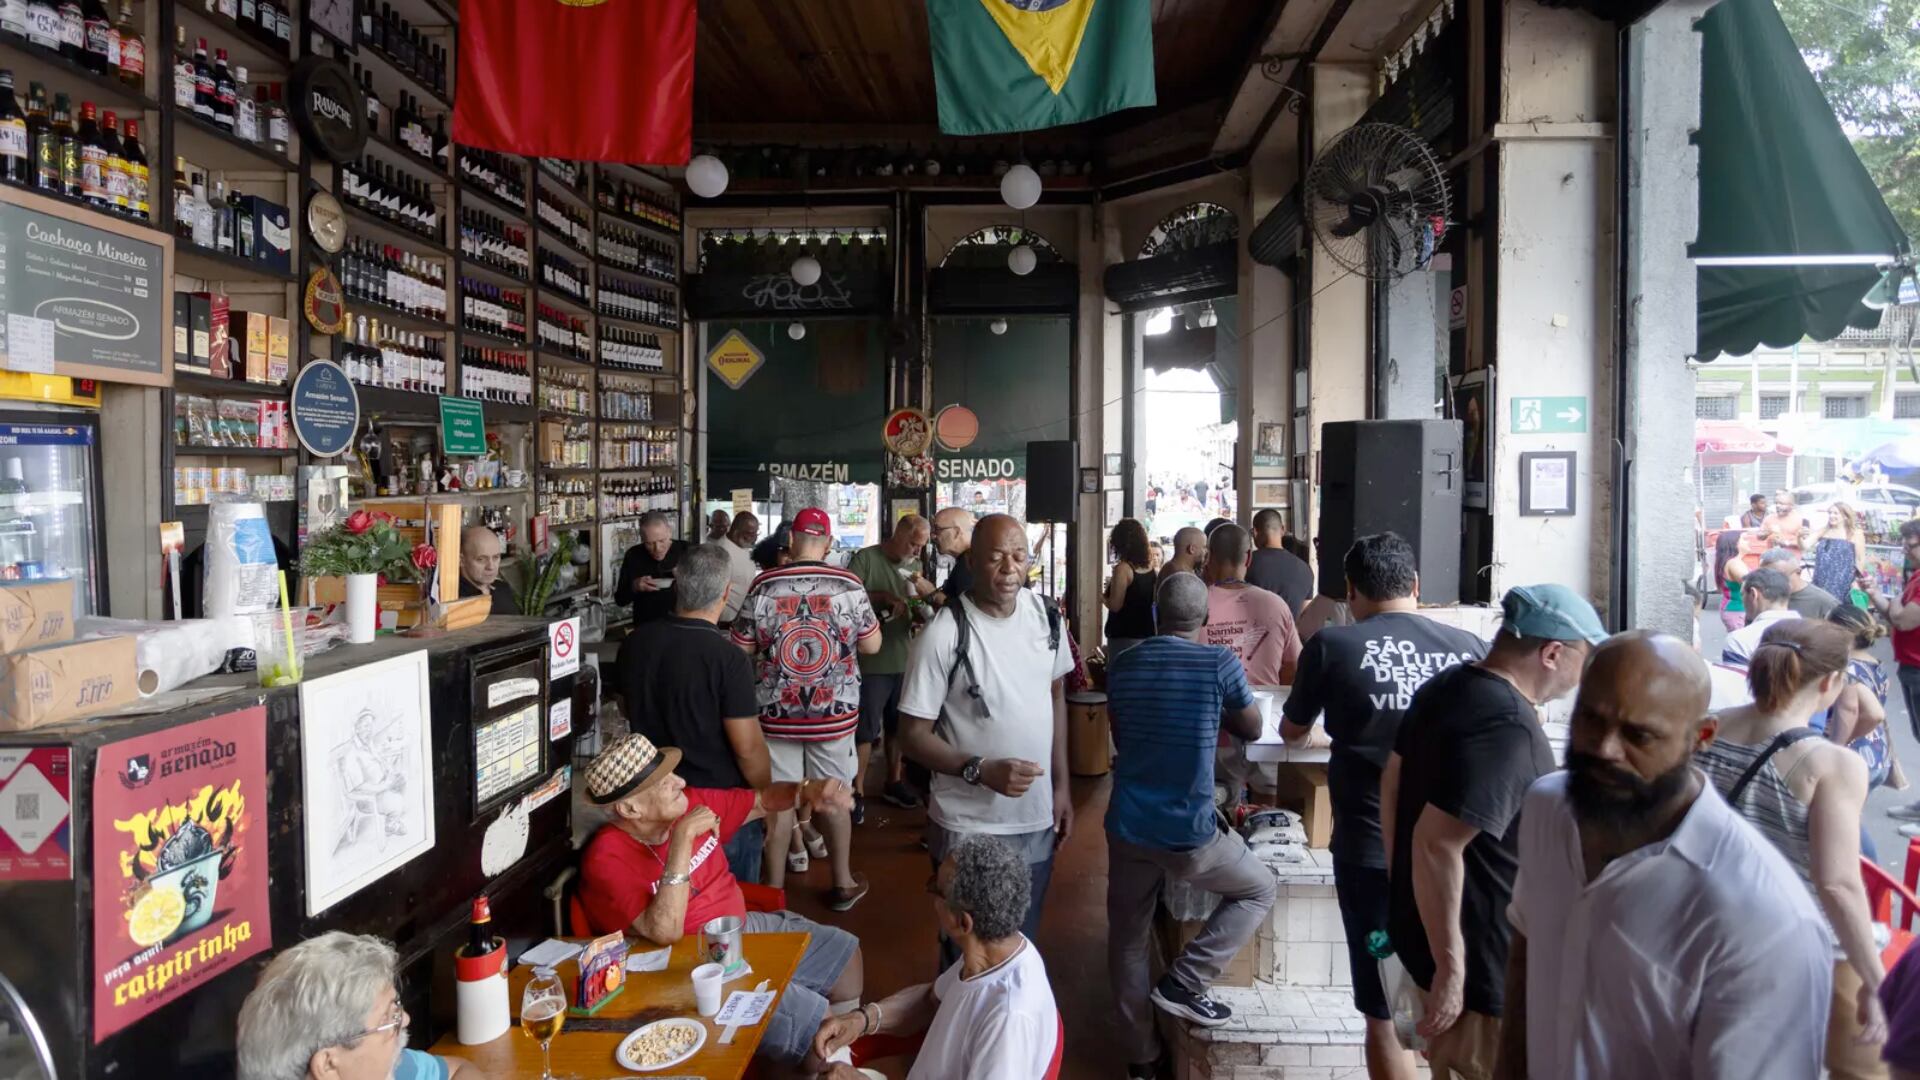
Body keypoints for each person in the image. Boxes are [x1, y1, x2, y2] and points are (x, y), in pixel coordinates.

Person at [1497, 632, 1833, 1078]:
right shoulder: (1547, 808)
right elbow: (1527, 951)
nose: (1605, 749)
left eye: (1639, 735)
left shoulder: (1766, 922)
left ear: (1702, 737)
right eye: (1591, 719)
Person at [1279, 532, 1485, 1080]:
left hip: (1373, 861)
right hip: (1464, 859)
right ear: (1415, 584)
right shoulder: (1470, 650)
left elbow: (1292, 730)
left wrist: (1329, 735)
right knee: (1455, 999)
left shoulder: (1334, 646)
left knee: (1389, 1014)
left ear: (1350, 591)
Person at [1380, 585, 1603, 1080]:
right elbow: (1437, 844)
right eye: (1585, 658)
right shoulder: (1509, 727)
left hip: (1437, 946)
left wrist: (1404, 888)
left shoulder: (1447, 686)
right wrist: (1452, 968)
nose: (1583, 676)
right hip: (1479, 971)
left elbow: (1392, 779)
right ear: (1552, 653)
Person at [575, 733, 864, 1068]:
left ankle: (826, 1060)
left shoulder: (688, 802)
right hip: (688, 965)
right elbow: (665, 931)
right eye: (665, 783)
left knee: (845, 956)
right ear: (629, 808)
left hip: (740, 929)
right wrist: (683, 838)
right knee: (816, 1024)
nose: (681, 782)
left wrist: (806, 790)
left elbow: (761, 801)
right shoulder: (607, 857)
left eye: (673, 774)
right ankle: (830, 1066)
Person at [1696, 619, 1886, 1077]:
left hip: (1709, 925)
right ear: (1830, 682)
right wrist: (1876, 980)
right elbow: (1837, 884)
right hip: (1799, 941)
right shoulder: (1832, 764)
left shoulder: (1705, 728)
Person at [1105, 572, 1273, 1077]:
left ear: (1157, 615)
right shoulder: (1219, 662)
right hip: (1190, 834)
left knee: (1128, 939)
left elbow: (1123, 735)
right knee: (1259, 888)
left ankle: (1142, 1059)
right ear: (1205, 619)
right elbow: (1252, 728)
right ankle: (1185, 980)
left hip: (1128, 826)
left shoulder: (1123, 663)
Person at [899, 514, 1074, 965]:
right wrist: (979, 770)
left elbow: (1055, 696)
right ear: (972, 563)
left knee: (1021, 946)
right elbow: (912, 736)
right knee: (966, 952)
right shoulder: (944, 633)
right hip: (966, 824)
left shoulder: (1047, 618)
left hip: (1033, 818)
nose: (1010, 568)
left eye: (1019, 556)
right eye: (996, 557)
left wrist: (1061, 786)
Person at [808, 837, 1059, 1079]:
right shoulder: (991, 949)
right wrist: (861, 1020)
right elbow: (931, 1000)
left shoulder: (1009, 1020)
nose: (931, 897)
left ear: (963, 922)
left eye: (935, 889)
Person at [730, 507, 877, 905]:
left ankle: (774, 890)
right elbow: (872, 644)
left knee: (779, 801)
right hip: (834, 716)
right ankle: (843, 883)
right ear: (827, 544)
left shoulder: (764, 584)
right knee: (835, 797)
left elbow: (741, 647)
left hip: (777, 714)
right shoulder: (849, 584)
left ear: (791, 540)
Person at [618, 542, 769, 883]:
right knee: (726, 901)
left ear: (677, 585)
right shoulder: (728, 659)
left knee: (671, 899)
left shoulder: (635, 643)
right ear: (726, 593)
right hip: (717, 806)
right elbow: (748, 748)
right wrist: (765, 798)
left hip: (655, 801)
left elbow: (625, 708)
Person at [236, 931, 483, 1080]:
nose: (405, 1019)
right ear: (328, 1065)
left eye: (396, 1007)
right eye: (388, 1018)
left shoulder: (383, 1069)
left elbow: (458, 1070)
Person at [847, 514, 932, 819]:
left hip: (903, 656)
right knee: (866, 730)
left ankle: (893, 781)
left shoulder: (915, 566)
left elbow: (915, 606)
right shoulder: (866, 559)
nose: (917, 551)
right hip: (872, 661)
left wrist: (920, 611)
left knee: (898, 726)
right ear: (898, 534)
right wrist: (882, 597)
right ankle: (857, 790)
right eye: (913, 543)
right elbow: (847, 597)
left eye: (921, 546)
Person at [1201, 523, 1301, 686]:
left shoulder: (1195, 604)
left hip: (1209, 701)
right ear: (1248, 557)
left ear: (1208, 557)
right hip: (1264, 701)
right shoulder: (1276, 604)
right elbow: (1294, 667)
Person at [1870, 521, 1920, 818]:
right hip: (1911, 666)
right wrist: (1876, 595)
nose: (1905, 550)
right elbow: (1895, 615)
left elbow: (1902, 620)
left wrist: (1897, 603)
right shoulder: (1916, 577)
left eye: (1910, 545)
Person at [1826, 604, 1894, 813]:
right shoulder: (1876, 664)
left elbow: (1852, 711)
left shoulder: (1848, 670)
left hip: (1856, 756)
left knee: (1838, 819)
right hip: (1879, 755)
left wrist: (1836, 750)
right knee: (1851, 817)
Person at [612, 511, 688, 624]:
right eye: (649, 543)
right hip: (646, 625)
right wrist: (634, 586)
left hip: (682, 624)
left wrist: (685, 579)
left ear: (669, 532)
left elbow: (706, 592)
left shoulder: (687, 550)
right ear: (641, 538)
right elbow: (620, 600)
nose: (657, 548)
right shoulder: (634, 555)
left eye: (661, 541)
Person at [1720, 566, 1798, 667]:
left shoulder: (1739, 641)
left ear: (1753, 594)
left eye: (1742, 594)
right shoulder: (1812, 633)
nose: (1742, 601)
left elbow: (1735, 676)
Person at [1104, 518, 1157, 655]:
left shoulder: (1123, 569)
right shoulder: (1150, 567)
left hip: (1124, 635)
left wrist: (1101, 597)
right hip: (1147, 632)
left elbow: (1115, 605)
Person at [1248, 508, 1314, 615]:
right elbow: (1305, 614)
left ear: (1255, 532)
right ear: (1283, 529)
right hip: (1292, 626)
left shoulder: (1246, 563)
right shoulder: (1305, 569)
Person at [1756, 545, 1841, 619]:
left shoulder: (1825, 603)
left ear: (1798, 572)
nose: (1771, 582)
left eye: (1778, 577)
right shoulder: (1759, 598)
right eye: (1764, 577)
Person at [456, 525, 519, 616]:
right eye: (481, 559)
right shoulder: (454, 597)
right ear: (461, 560)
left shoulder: (503, 589)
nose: (491, 567)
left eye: (496, 557)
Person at [1813, 503, 1869, 602]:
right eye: (1830, 513)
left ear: (1845, 516)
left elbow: (1860, 559)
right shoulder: (1824, 530)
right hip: (1821, 576)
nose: (1831, 516)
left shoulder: (1855, 533)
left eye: (1835, 513)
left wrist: (1857, 581)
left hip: (1842, 579)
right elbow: (1806, 545)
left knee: (1837, 605)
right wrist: (1800, 537)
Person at [927, 507, 977, 610]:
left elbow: (966, 611)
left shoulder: (971, 564)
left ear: (957, 532)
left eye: (938, 530)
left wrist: (931, 593)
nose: (933, 536)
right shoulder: (966, 560)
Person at [718, 512, 760, 623]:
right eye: (751, 534)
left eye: (756, 533)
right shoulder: (721, 552)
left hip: (743, 617)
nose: (755, 538)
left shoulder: (742, 545)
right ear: (736, 532)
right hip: (726, 620)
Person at [1764, 488, 1811, 553]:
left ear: (1791, 505)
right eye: (1776, 503)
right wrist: (1767, 532)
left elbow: (1806, 543)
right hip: (1773, 555)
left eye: (1781, 503)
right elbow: (1760, 537)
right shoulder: (1770, 517)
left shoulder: (1803, 520)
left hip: (1793, 556)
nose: (1778, 505)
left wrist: (1786, 543)